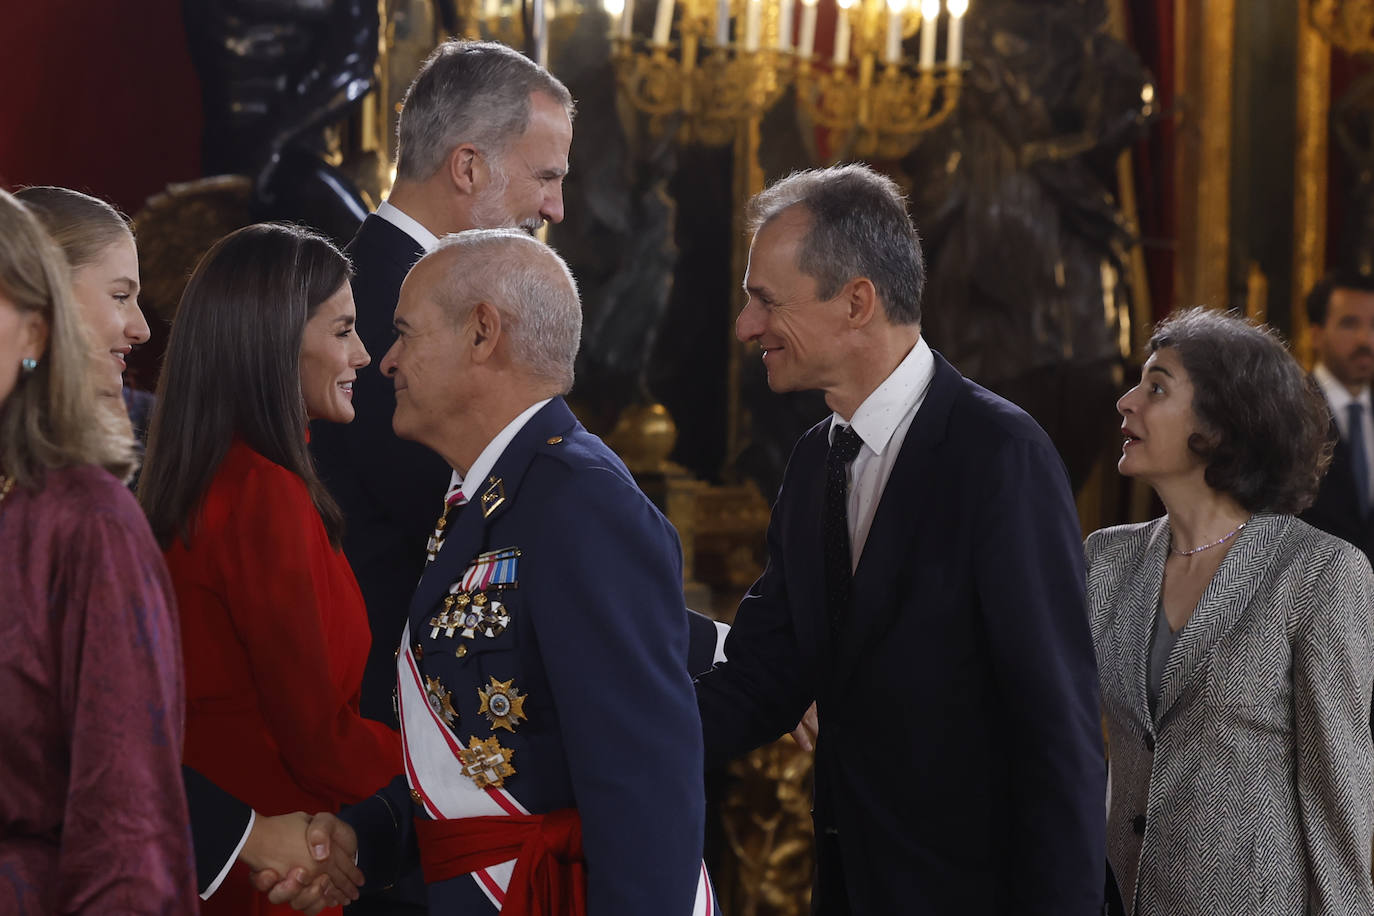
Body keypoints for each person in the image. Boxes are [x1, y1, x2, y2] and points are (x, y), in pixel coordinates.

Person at [693, 164, 1107, 915]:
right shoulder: (816, 457)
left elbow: (1058, 733)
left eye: (765, 301)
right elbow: (763, 676)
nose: (746, 326)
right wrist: (601, 737)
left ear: (857, 302)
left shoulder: (998, 453)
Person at [329, 229, 715, 914]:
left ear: (483, 334)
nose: (385, 361)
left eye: (405, 333)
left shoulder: (581, 503)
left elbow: (644, 789)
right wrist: (365, 837)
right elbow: (485, 761)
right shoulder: (494, 496)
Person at [308, 40, 575, 727]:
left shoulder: (361, 280)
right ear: (467, 166)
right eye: (546, 176)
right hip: (402, 723)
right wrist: (713, 647)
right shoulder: (380, 307)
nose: (556, 207)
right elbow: (515, 534)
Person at [138, 222, 401, 916]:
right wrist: (444, 781)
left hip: (223, 850)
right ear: (276, 339)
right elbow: (318, 738)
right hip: (272, 866)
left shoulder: (209, 475)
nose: (366, 355)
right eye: (343, 330)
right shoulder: (263, 494)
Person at [1089, 307, 1374, 915]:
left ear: (1219, 425)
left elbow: (1337, 800)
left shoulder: (1321, 574)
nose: (1126, 402)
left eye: (1157, 386)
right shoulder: (1106, 559)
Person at [0, 188, 198, 910]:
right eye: (120, 296)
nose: (141, 329)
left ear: (35, 327)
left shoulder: (85, 524)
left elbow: (127, 827)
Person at [1300, 271, 1374, 566]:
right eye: (1349, 323)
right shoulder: (1287, 411)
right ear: (1316, 334)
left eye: (1373, 325)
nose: (1365, 339)